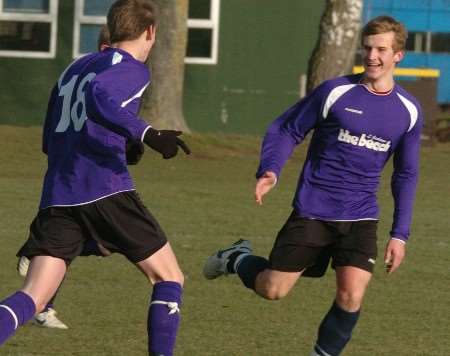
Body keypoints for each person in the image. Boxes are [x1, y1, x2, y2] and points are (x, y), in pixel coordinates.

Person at [203, 15, 422, 356]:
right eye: (367, 48)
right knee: (273, 290)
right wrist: (270, 169)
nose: (372, 56)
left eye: (381, 49)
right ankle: (236, 258)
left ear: (398, 55)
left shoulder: (408, 111)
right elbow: (287, 128)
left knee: (352, 294)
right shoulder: (335, 92)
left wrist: (400, 233)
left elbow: (406, 174)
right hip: (314, 211)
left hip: (361, 216)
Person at [0, 1, 190, 355]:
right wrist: (149, 135)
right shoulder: (132, 68)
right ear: (149, 32)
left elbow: (49, 139)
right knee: (169, 277)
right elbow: (99, 97)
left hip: (58, 193)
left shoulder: (73, 68)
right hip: (106, 188)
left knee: (33, 298)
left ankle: (87, 243)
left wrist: (125, 141)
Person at [14, 24, 144, 331]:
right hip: (89, 180)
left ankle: (42, 298)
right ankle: (41, 291)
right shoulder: (106, 74)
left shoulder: (75, 73)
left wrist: (130, 144)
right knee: (151, 263)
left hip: (68, 179)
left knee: (71, 246)